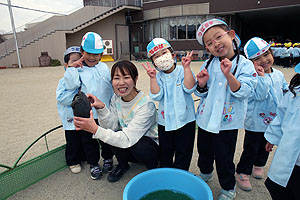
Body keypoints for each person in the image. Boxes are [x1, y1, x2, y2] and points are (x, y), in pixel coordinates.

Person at [195, 18, 258, 200]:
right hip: (206, 119)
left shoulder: (245, 64)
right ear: (207, 49)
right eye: (209, 43)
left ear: (231, 36)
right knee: (204, 151)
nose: (215, 44)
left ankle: (228, 187)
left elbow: (245, 91)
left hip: (227, 124)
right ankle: (205, 173)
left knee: (224, 157)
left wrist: (229, 75)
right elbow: (202, 94)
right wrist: (202, 84)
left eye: (218, 37)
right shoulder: (208, 64)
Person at [73, 60, 159, 182]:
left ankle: (153, 167)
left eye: (126, 77)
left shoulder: (146, 105)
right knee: (112, 133)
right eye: (116, 78)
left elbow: (128, 139)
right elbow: (111, 126)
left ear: (135, 79)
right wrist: (101, 107)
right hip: (129, 144)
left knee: (137, 144)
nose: (121, 83)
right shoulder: (116, 98)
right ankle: (123, 164)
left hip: (149, 147)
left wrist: (94, 129)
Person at [56, 32, 114, 180]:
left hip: (104, 110)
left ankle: (108, 158)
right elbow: (71, 85)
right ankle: (94, 164)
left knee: (106, 138)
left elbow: (110, 87)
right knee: (89, 141)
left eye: (97, 54)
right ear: (82, 52)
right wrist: (72, 69)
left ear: (101, 54)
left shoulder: (104, 67)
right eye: (89, 53)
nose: (92, 57)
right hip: (87, 114)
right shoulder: (78, 69)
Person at [235, 37, 289, 191]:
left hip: (273, 120)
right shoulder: (253, 76)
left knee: (267, 145)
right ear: (250, 62)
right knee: (251, 147)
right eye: (257, 59)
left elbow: (284, 89)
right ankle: (242, 171)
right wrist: (261, 77)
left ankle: (259, 164)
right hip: (255, 121)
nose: (264, 61)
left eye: (266, 55)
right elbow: (259, 96)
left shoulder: (278, 74)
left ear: (271, 53)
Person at [143, 38, 196, 171]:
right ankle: (167, 174)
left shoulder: (182, 70)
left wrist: (187, 68)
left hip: (186, 120)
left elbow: (189, 88)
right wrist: (153, 78)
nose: (161, 57)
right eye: (156, 56)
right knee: (166, 151)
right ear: (154, 63)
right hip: (165, 121)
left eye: (164, 53)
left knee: (184, 151)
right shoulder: (158, 76)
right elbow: (156, 95)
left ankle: (181, 175)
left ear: (172, 55)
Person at [264, 63, 300, 200]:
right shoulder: (295, 92)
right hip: (289, 151)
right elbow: (281, 114)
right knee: (277, 186)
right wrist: (272, 137)